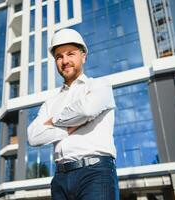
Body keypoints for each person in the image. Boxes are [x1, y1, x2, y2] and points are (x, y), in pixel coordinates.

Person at [27, 28, 119, 200]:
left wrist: (52, 121)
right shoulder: (50, 102)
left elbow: (86, 110)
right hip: (60, 178)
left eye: (70, 54)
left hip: (96, 173)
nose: (65, 61)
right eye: (59, 56)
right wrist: (68, 128)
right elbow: (33, 136)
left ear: (83, 57)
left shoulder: (100, 85)